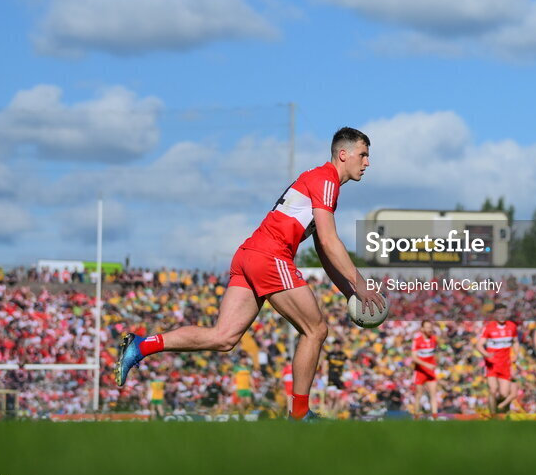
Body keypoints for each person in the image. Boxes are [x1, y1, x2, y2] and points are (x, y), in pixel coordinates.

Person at [114, 127, 385, 421]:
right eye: (363, 154)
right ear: (343, 154)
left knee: (223, 337)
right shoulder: (327, 179)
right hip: (270, 256)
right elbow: (332, 242)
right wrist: (362, 285)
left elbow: (322, 249)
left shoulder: (319, 181)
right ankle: (300, 413)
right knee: (316, 329)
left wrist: (349, 291)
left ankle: (141, 346)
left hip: (248, 255)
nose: (367, 162)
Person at [476, 304, 520, 416]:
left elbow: (515, 342)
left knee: (504, 394)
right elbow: (479, 345)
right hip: (492, 364)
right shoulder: (489, 327)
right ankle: (493, 415)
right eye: (499, 313)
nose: (501, 316)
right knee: (493, 389)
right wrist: (486, 354)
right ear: (495, 314)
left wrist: (516, 354)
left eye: (503, 313)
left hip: (505, 364)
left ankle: (499, 410)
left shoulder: (512, 326)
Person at [411, 320, 439, 417]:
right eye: (427, 327)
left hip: (431, 371)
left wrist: (433, 363)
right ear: (422, 329)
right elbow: (414, 358)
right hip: (420, 371)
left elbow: (434, 353)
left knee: (433, 394)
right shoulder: (417, 340)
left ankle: (435, 417)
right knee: (418, 394)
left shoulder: (434, 339)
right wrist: (427, 365)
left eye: (430, 327)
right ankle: (416, 417)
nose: (429, 329)